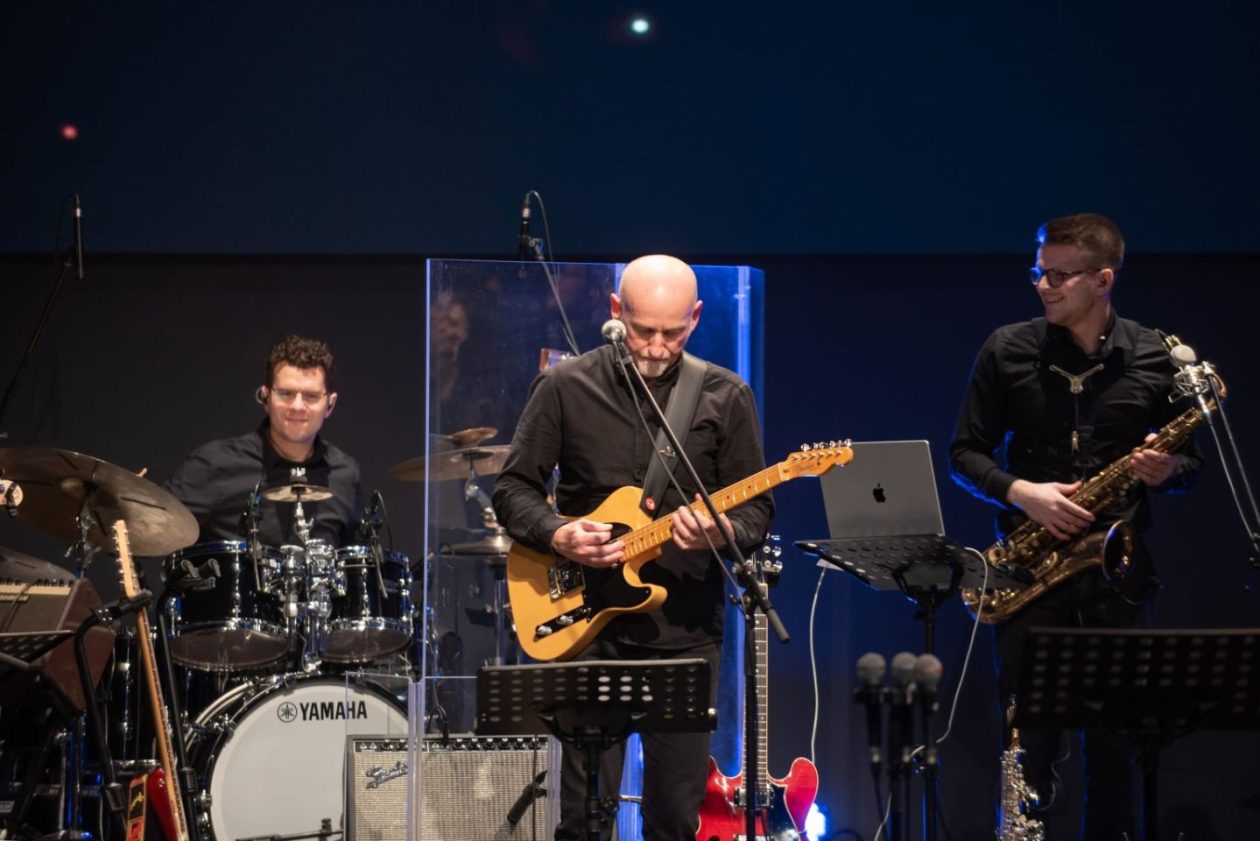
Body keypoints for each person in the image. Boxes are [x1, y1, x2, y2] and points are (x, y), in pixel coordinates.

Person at [492, 254, 774, 841]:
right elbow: (513, 489)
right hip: (586, 628)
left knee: (674, 817)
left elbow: (757, 513)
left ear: (696, 317)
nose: (657, 347)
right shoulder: (566, 386)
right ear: (616, 310)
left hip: (685, 632)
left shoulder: (725, 395)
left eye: (673, 332)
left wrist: (721, 530)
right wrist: (557, 533)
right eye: (644, 330)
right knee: (583, 817)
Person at [948, 213, 1202, 839]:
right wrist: (1022, 492)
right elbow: (965, 454)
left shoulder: (1157, 354)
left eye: (1060, 275)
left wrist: (1167, 468)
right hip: (1029, 570)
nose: (1044, 286)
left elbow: (1191, 466)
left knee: (1117, 751)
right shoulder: (1008, 348)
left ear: (1103, 280)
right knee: (1025, 746)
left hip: (1118, 572)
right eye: (1040, 272)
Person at [167, 334, 362, 547]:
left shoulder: (345, 474)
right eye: (286, 393)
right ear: (266, 398)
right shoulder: (215, 465)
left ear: (330, 405)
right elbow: (151, 525)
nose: (297, 406)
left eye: (311, 396)